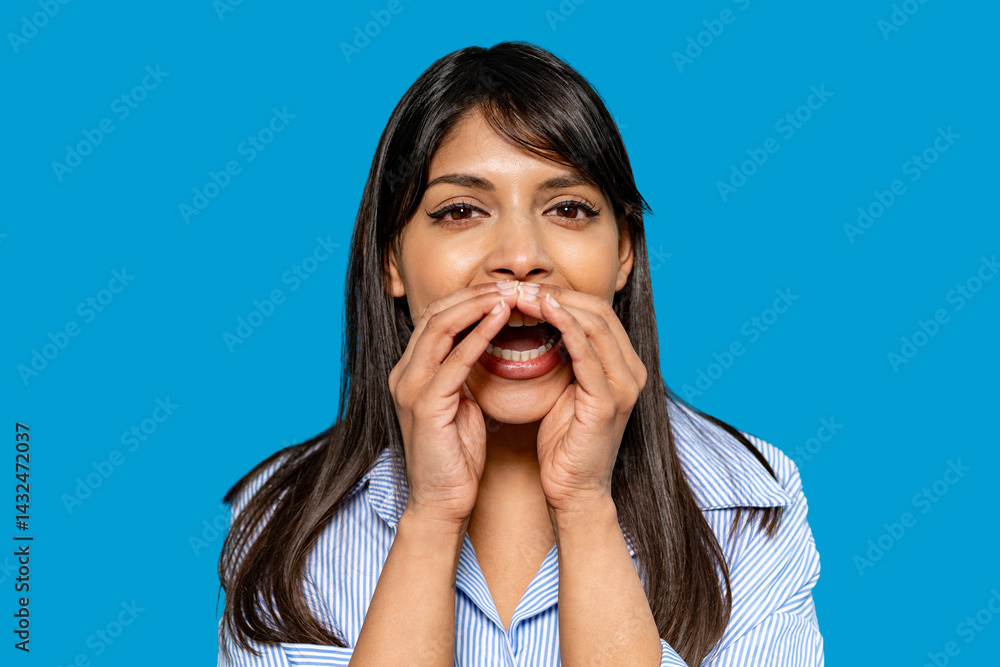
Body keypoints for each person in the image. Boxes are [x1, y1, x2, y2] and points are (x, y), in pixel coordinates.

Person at [216, 41, 823, 666]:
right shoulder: (280, 521)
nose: (521, 256)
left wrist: (585, 506)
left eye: (568, 209)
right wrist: (431, 519)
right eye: (461, 211)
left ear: (624, 253)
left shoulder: (752, 506)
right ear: (391, 259)